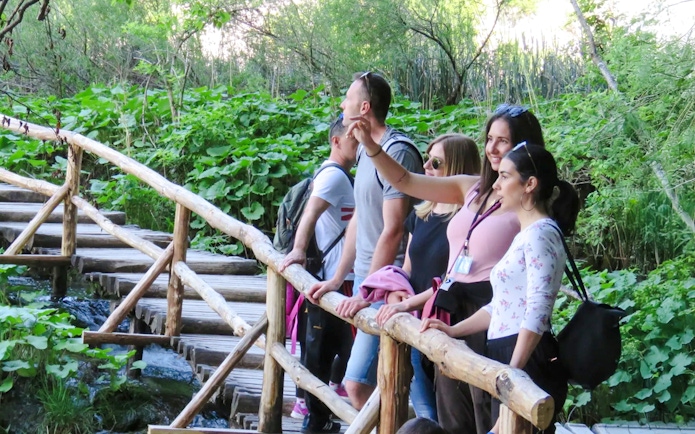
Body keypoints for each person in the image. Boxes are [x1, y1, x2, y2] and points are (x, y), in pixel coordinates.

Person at [364, 104, 546, 434]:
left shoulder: (527, 204)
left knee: (487, 413)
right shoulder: (471, 187)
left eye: (502, 141)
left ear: (523, 146)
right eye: (489, 138)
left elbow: (536, 284)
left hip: (493, 314)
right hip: (451, 309)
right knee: (451, 410)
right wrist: (372, 146)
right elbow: (406, 180)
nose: (491, 148)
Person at [421, 143, 580, 434]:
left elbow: (537, 311)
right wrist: (454, 331)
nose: (496, 185)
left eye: (505, 177)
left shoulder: (540, 235)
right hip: (509, 352)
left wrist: (513, 373)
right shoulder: (528, 234)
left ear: (529, 184)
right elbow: (503, 305)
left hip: (525, 356)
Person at [306, 71, 424, 419]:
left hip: (394, 287)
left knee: (359, 384)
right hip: (367, 279)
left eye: (347, 97)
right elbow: (359, 219)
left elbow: (394, 230)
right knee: (406, 382)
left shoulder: (397, 153)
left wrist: (368, 292)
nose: (342, 103)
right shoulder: (364, 151)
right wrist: (338, 277)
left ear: (365, 106)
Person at [388, 134, 481, 421]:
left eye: (436, 162)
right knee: (426, 410)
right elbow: (408, 268)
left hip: (443, 319)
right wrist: (396, 292)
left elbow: (452, 277)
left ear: (457, 167)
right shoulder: (421, 213)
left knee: (447, 411)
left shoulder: (466, 221)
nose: (426, 166)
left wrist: (408, 304)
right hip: (414, 318)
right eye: (426, 158)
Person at [279, 116, 358, 430]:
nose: (359, 145)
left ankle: (316, 414)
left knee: (328, 351)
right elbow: (310, 214)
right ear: (336, 142)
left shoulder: (336, 175)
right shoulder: (335, 177)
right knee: (333, 351)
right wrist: (298, 249)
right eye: (352, 140)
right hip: (335, 281)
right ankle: (316, 415)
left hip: (335, 280)